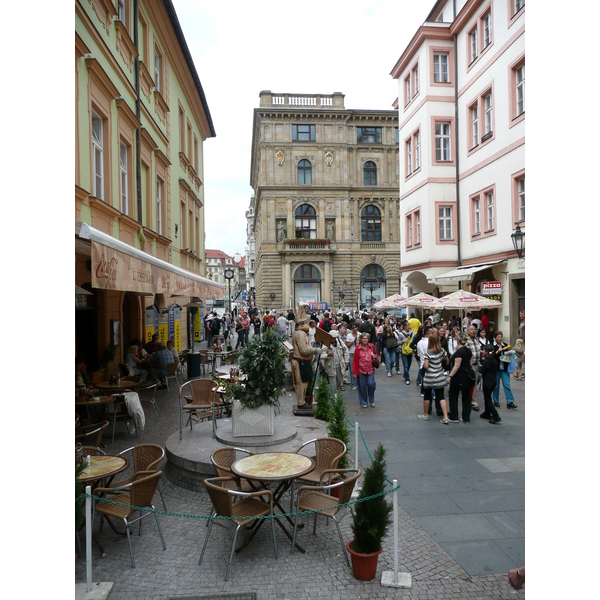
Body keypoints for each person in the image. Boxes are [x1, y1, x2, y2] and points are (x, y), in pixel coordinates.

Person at [291, 303, 321, 408]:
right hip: (301, 362)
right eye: (305, 322)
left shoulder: (300, 333)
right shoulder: (300, 334)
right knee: (301, 384)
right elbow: (303, 350)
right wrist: (315, 350)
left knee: (304, 383)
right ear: (301, 324)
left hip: (303, 362)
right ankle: (301, 402)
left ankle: (302, 401)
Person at [419, 332, 449, 423]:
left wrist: (424, 363)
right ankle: (445, 417)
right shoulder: (442, 351)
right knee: (441, 397)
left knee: (427, 396)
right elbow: (447, 362)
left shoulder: (427, 352)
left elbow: (426, 366)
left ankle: (425, 415)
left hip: (429, 377)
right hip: (439, 376)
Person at [446, 333, 474, 423]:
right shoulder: (469, 351)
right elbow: (471, 363)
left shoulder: (459, 352)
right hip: (468, 375)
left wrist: (450, 376)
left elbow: (456, 366)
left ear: (458, 341)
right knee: (466, 397)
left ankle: (454, 416)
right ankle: (466, 417)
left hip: (459, 376)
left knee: (453, 395)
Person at [352, 333, 378, 408]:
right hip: (361, 370)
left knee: (371, 384)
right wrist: (354, 373)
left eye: (366, 338)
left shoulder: (371, 346)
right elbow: (355, 361)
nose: (365, 340)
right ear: (361, 339)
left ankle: (371, 399)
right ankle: (363, 401)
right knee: (362, 386)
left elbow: (375, 354)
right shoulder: (358, 348)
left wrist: (374, 356)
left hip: (370, 369)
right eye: (363, 338)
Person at [492, 331, 517, 409]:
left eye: (501, 337)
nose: (500, 338)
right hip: (496, 369)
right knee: (496, 386)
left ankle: (510, 401)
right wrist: (497, 352)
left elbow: (509, 355)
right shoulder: (493, 346)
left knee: (507, 385)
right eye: (498, 337)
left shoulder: (505, 345)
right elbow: (491, 356)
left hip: (504, 369)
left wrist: (509, 353)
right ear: (495, 338)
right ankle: (496, 401)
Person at [320, 330, 349, 394]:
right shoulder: (325, 344)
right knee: (333, 384)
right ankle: (334, 399)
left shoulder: (339, 342)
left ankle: (333, 394)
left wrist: (346, 360)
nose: (334, 339)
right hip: (331, 367)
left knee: (339, 381)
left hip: (340, 366)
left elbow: (346, 349)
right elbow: (321, 355)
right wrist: (328, 355)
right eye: (332, 338)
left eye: (335, 338)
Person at [478, 344, 501, 424]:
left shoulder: (487, 361)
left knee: (488, 399)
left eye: (484, 350)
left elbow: (481, 371)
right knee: (487, 397)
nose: (483, 352)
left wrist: (480, 366)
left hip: (487, 382)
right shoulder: (494, 360)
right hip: (493, 381)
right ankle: (487, 413)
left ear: (487, 352)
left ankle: (495, 415)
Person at [465, 325, 481, 412]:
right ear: (467, 331)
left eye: (474, 330)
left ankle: (473, 401)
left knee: (474, 384)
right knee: (468, 384)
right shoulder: (466, 340)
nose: (473, 331)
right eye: (471, 329)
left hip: (476, 365)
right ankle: (469, 401)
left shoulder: (476, 340)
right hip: (469, 366)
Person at [398, 320, 414, 385]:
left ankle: (405, 374)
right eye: (408, 326)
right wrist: (402, 341)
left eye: (409, 325)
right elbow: (398, 342)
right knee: (406, 366)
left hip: (410, 351)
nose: (409, 327)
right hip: (404, 351)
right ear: (404, 327)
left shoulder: (412, 333)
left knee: (409, 365)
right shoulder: (401, 334)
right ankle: (407, 378)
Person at [345, 323, 359, 390]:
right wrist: (352, 342)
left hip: (359, 353)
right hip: (351, 353)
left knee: (359, 368)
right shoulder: (349, 335)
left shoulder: (360, 334)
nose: (354, 328)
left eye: (355, 327)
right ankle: (353, 384)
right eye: (353, 327)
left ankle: (358, 383)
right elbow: (347, 345)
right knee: (352, 369)